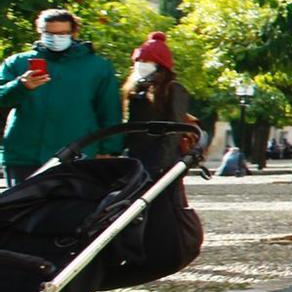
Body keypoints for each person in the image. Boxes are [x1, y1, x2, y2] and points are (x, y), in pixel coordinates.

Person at [0, 9, 122, 184]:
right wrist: (21, 86)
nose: (56, 38)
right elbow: (2, 97)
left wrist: (109, 149)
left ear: (73, 33)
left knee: (70, 210)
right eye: (50, 33)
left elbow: (109, 111)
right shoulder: (17, 63)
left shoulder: (98, 67)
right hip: (24, 156)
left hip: (75, 155)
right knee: (19, 209)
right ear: (40, 32)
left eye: (63, 33)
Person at [123, 32, 197, 174]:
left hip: (161, 163)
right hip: (136, 159)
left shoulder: (173, 89)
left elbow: (175, 129)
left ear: (159, 65)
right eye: (139, 61)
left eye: (146, 61)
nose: (140, 65)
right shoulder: (135, 88)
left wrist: (161, 163)